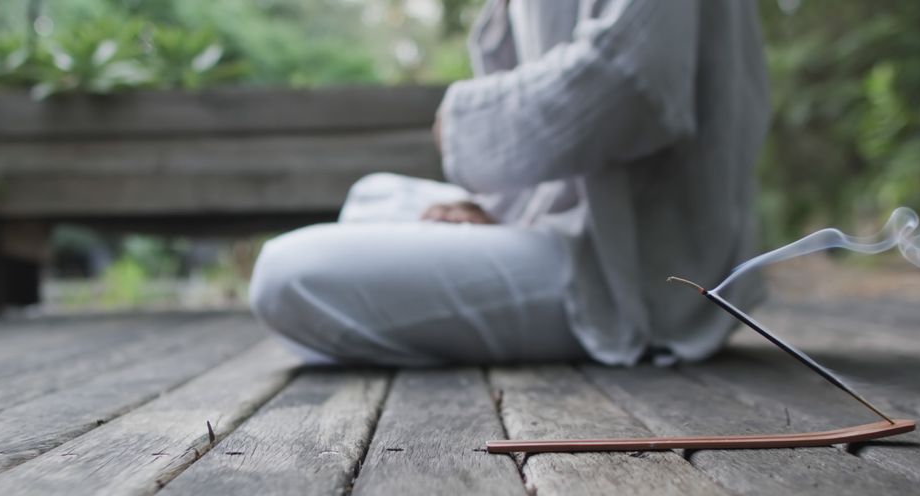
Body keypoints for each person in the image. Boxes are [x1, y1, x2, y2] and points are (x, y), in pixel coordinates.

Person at [249, 0, 769, 366]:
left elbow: (631, 87)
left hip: (630, 270)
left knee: (289, 274)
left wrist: (462, 123)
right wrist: (491, 206)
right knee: (374, 195)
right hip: (560, 222)